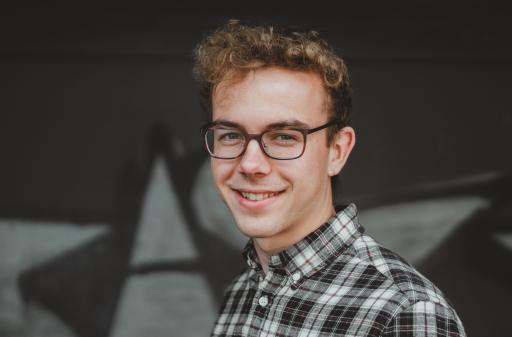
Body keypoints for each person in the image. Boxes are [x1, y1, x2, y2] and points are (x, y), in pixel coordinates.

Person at [193, 19, 466, 337]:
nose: (250, 164)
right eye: (230, 135)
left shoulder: (404, 313)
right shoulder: (242, 291)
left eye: (284, 137)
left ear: (337, 151)